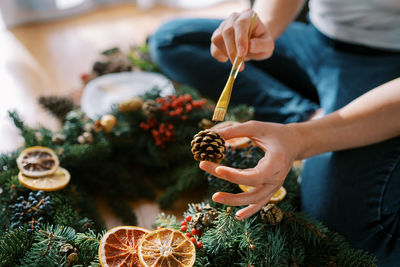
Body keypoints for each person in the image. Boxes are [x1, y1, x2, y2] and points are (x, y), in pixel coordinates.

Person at [148, 0, 400, 265]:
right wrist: (262, 26)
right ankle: (308, 114)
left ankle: (326, 120)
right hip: (317, 38)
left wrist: (302, 138)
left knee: (347, 228)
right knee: (171, 40)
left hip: (387, 64)